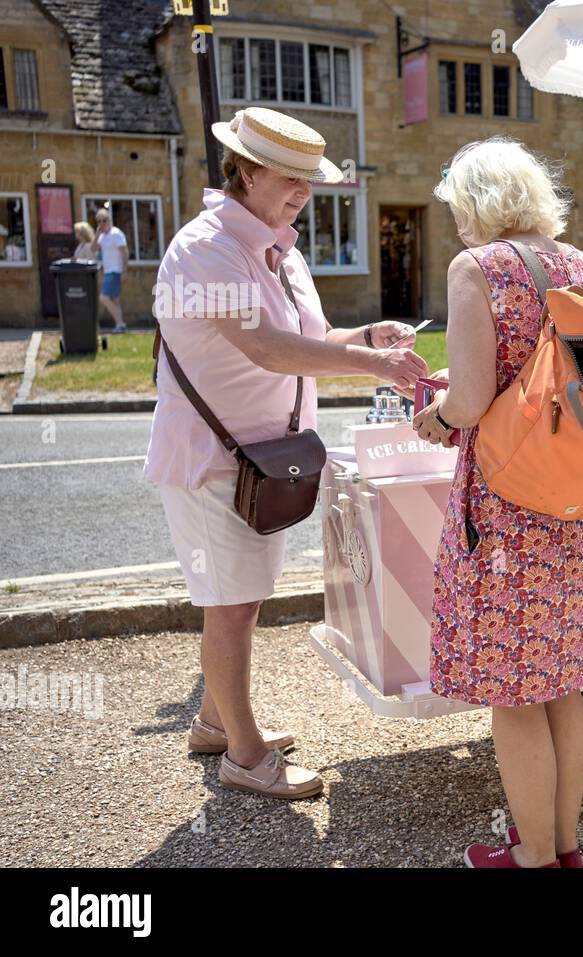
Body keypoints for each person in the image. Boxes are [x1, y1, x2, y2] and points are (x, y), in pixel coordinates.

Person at [143, 107, 428, 800]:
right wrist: (375, 369)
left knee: (243, 598)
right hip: (215, 458)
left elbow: (312, 334)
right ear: (244, 168)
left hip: (264, 460)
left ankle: (216, 721)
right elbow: (266, 347)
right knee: (230, 607)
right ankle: (243, 754)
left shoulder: (281, 246)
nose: (303, 189)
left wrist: (368, 336)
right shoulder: (206, 247)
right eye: (289, 175)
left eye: (310, 178)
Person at [413, 137, 583, 869]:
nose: (456, 226)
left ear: (476, 204)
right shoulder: (579, 264)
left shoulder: (476, 268)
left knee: (513, 688)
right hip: (577, 494)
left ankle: (530, 856)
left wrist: (436, 416)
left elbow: (472, 402)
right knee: (560, 678)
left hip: (508, 507)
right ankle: (563, 848)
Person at [92, 208, 129, 333]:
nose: (102, 223)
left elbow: (125, 252)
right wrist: (97, 234)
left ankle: (120, 323)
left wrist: (124, 271)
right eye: (99, 221)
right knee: (114, 300)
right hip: (108, 271)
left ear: (110, 220)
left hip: (116, 270)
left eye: (104, 220)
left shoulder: (116, 233)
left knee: (104, 297)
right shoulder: (102, 236)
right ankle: (121, 325)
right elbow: (93, 248)